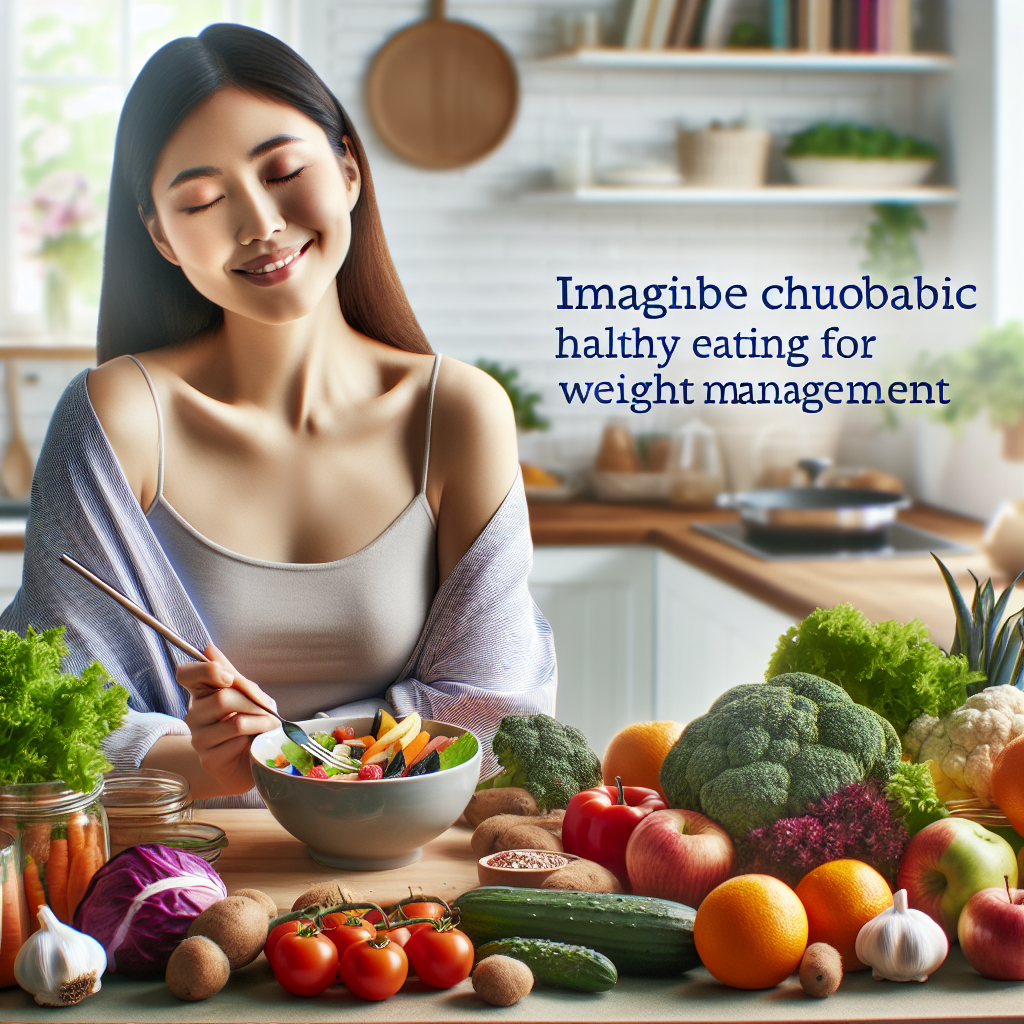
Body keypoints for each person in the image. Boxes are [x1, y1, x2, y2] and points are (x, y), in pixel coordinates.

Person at [1, 24, 556, 805]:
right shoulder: (120, 416)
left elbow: (498, 712)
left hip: (409, 891)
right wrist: (204, 763)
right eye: (202, 199)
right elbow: (56, 719)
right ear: (161, 236)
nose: (258, 221)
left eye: (284, 170)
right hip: (182, 872)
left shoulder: (458, 414)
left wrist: (279, 754)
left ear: (349, 169)